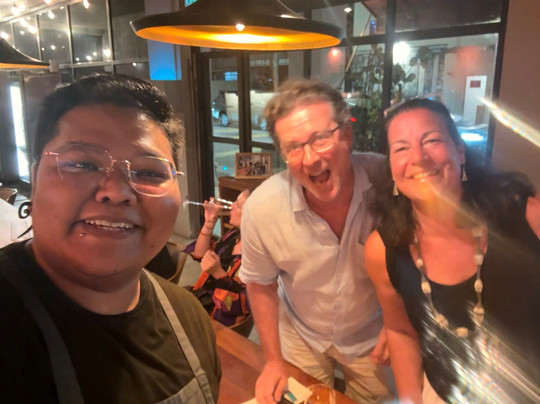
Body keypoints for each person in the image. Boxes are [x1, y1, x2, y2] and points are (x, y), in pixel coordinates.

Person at [0, 74, 221, 403]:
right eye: (82, 164)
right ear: (35, 178)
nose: (117, 191)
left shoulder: (190, 318)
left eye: (148, 172)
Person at [364, 98, 540, 403]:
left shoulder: (525, 216)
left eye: (432, 140)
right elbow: (401, 331)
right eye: (401, 148)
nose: (418, 157)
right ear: (391, 167)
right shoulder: (383, 249)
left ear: (460, 151)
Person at [239, 79, 393, 404]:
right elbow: (260, 284)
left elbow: (418, 254)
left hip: (372, 331)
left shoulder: (387, 181)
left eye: (320, 138)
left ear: (346, 134)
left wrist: (400, 322)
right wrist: (272, 360)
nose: (309, 159)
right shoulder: (263, 208)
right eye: (293, 147)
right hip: (301, 332)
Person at [187, 189, 251, 327]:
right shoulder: (234, 235)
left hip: (219, 320)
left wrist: (218, 273)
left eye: (238, 205)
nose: (232, 205)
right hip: (203, 298)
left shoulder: (258, 256)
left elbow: (240, 304)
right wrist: (209, 223)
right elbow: (200, 255)